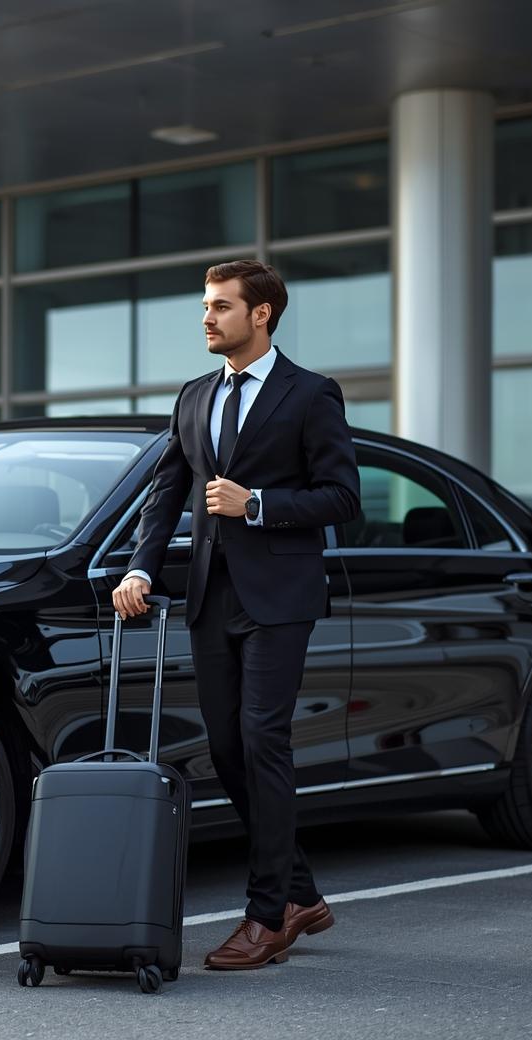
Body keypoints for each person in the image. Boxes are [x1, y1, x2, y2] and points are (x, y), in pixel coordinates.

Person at [112, 259, 359, 970]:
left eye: (221, 306)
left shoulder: (310, 395)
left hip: (280, 598)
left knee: (262, 740)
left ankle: (267, 914)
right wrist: (139, 567)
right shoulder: (194, 397)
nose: (207, 317)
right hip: (210, 596)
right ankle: (302, 892)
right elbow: (166, 494)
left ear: (262, 315)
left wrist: (258, 505)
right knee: (225, 750)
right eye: (205, 306)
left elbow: (343, 496)